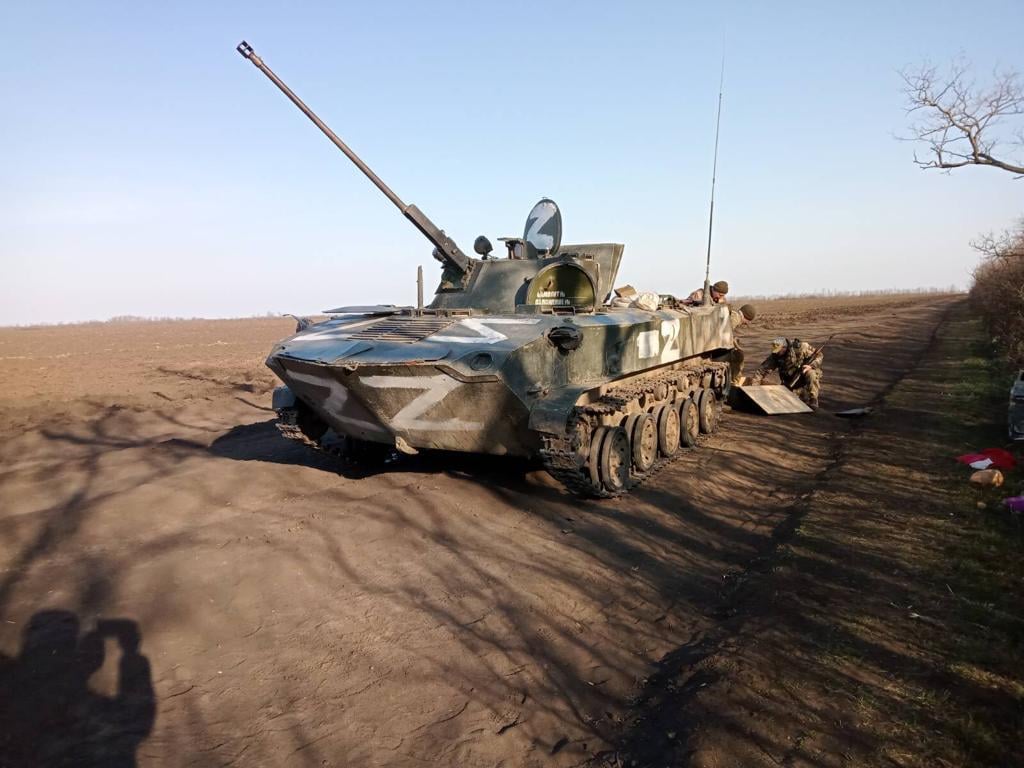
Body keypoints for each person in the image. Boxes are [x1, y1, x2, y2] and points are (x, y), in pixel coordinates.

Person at [750, 337, 824, 410]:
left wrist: (811, 366)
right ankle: (801, 394)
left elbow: (819, 355)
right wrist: (754, 389)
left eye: (779, 350)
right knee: (788, 401)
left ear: (784, 348)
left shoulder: (801, 347)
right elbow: (761, 371)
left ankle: (813, 399)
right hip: (790, 381)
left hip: (804, 376)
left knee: (811, 373)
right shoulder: (775, 356)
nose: (777, 353)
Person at [728, 304, 757, 385]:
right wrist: (735, 345)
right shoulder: (735, 318)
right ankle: (734, 382)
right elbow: (725, 335)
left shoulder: (734, 315)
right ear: (745, 317)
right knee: (739, 356)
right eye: (748, 321)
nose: (747, 323)